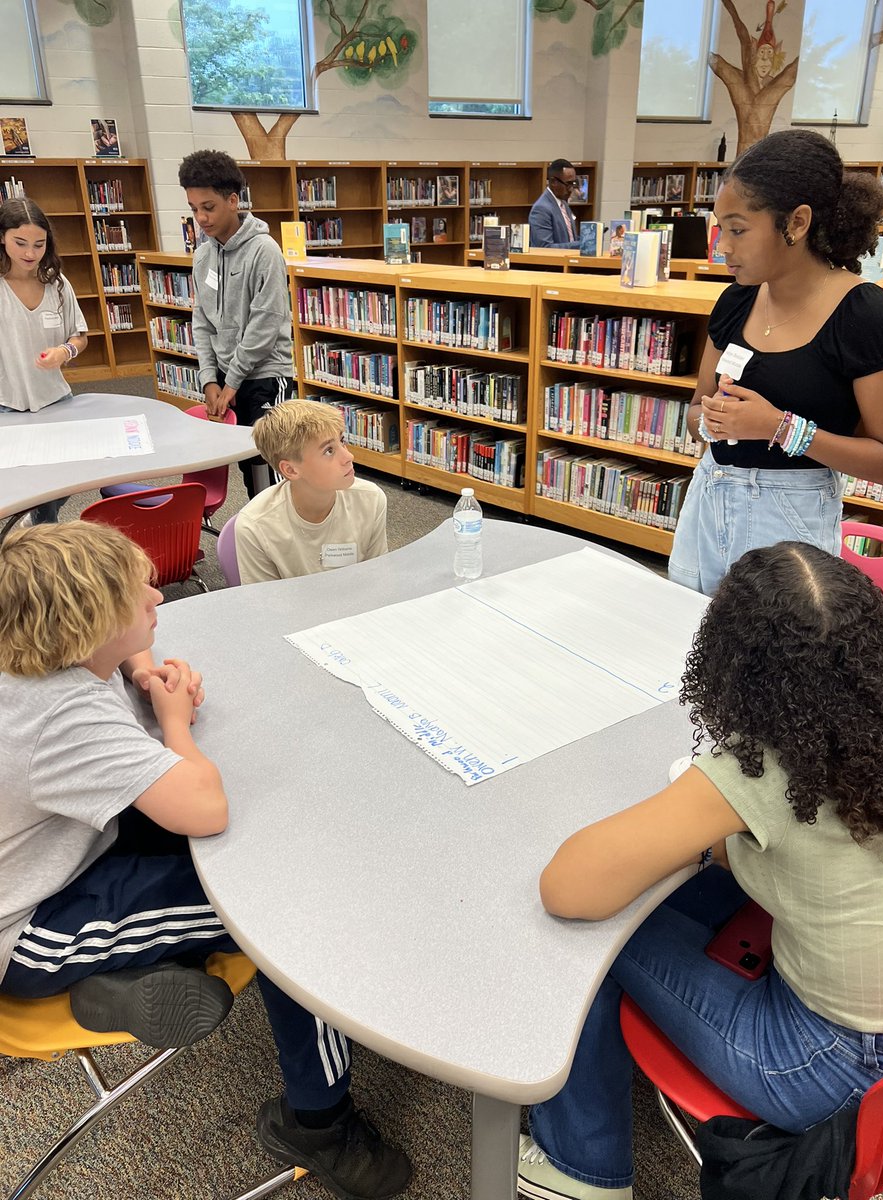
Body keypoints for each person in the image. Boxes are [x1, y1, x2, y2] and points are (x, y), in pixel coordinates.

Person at [0, 522, 411, 1200]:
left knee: (264, 837)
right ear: (89, 626)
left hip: (76, 854)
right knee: (282, 908)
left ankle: (133, 977)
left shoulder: (42, 658)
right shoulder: (59, 717)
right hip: (33, 932)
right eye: (137, 597)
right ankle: (318, 1124)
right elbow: (204, 808)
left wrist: (138, 668)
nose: (158, 597)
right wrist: (174, 723)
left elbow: (121, 654)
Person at [518, 541, 883, 1200]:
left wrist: (695, 833)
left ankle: (582, 1172)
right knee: (686, 885)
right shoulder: (879, 730)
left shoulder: (769, 765)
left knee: (585, 933)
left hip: (830, 1069)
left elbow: (567, 889)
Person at [668, 128, 883, 596]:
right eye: (720, 229)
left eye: (737, 230)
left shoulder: (864, 314)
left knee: (773, 639)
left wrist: (780, 427)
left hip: (791, 522)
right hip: (707, 503)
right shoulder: (736, 301)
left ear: (796, 222)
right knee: (688, 630)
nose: (723, 246)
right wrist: (710, 421)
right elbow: (695, 413)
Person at [178, 149, 293, 500]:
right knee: (248, 471)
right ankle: (261, 533)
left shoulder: (264, 251)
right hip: (227, 379)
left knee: (272, 469)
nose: (201, 218)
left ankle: (283, 535)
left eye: (208, 207)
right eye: (194, 209)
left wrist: (232, 381)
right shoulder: (203, 255)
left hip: (264, 377)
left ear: (232, 200)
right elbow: (202, 321)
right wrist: (210, 379)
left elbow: (266, 323)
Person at [0, 197, 88, 522]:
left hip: (54, 399)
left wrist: (65, 351)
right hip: (7, 403)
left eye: (39, 244)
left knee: (69, 476)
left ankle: (36, 524)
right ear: (2, 237)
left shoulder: (58, 284)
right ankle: (44, 539)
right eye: (20, 243)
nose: (30, 253)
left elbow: (80, 336)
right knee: (35, 485)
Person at [235, 399, 388, 585]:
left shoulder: (370, 500)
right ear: (291, 470)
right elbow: (266, 601)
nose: (349, 456)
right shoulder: (254, 527)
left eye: (342, 441)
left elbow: (377, 583)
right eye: (329, 451)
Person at [529, 159, 581, 249]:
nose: (571, 189)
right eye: (568, 184)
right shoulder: (541, 208)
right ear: (553, 182)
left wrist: (589, 239)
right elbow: (544, 247)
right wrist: (581, 244)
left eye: (573, 183)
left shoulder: (563, 203)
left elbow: (571, 239)